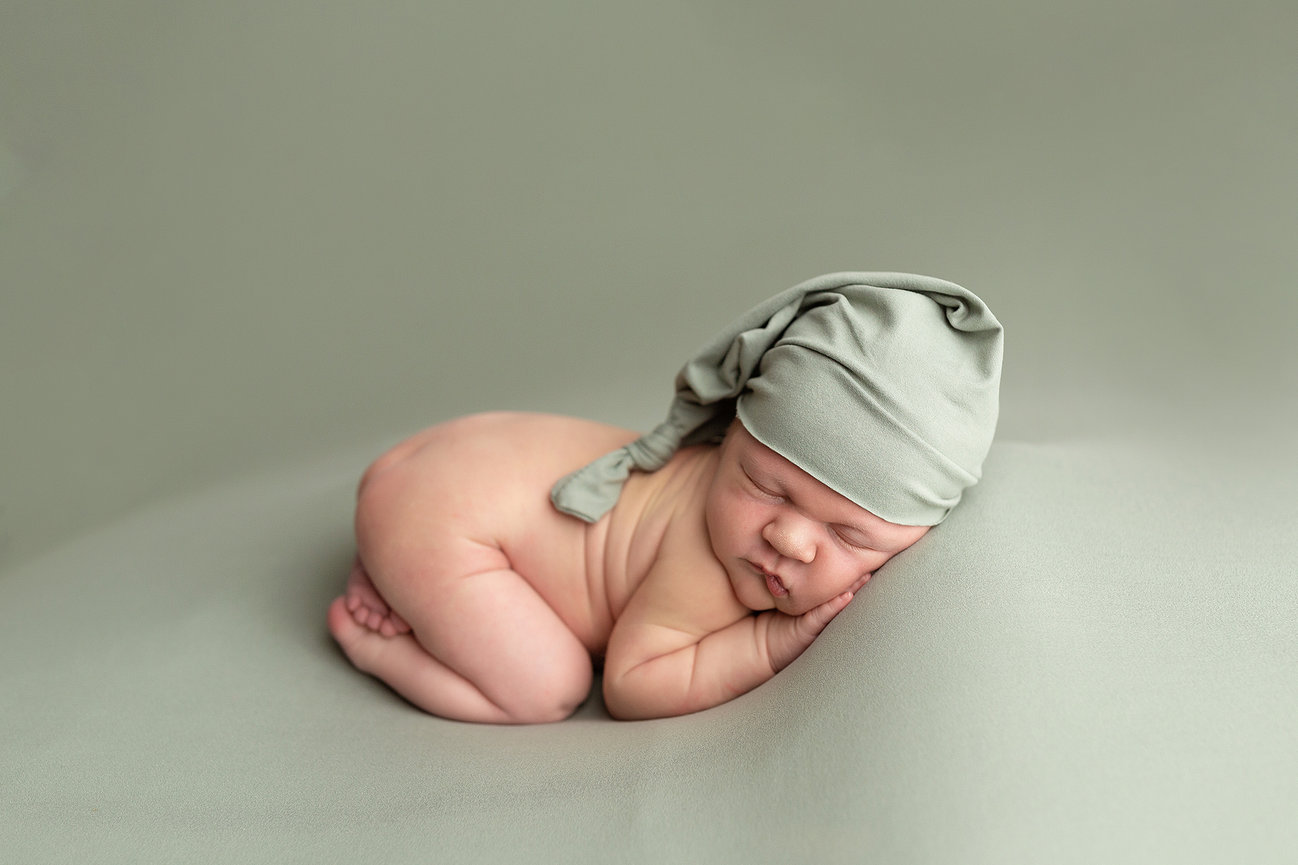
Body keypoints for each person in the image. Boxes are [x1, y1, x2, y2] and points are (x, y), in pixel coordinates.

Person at [327, 272, 1003, 723]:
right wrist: (769, 641)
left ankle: (395, 559)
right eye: (765, 486)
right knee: (547, 688)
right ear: (730, 429)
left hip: (442, 462)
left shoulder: (761, 519)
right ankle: (377, 636)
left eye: (851, 535)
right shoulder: (706, 568)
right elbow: (631, 683)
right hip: (446, 520)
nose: (789, 540)